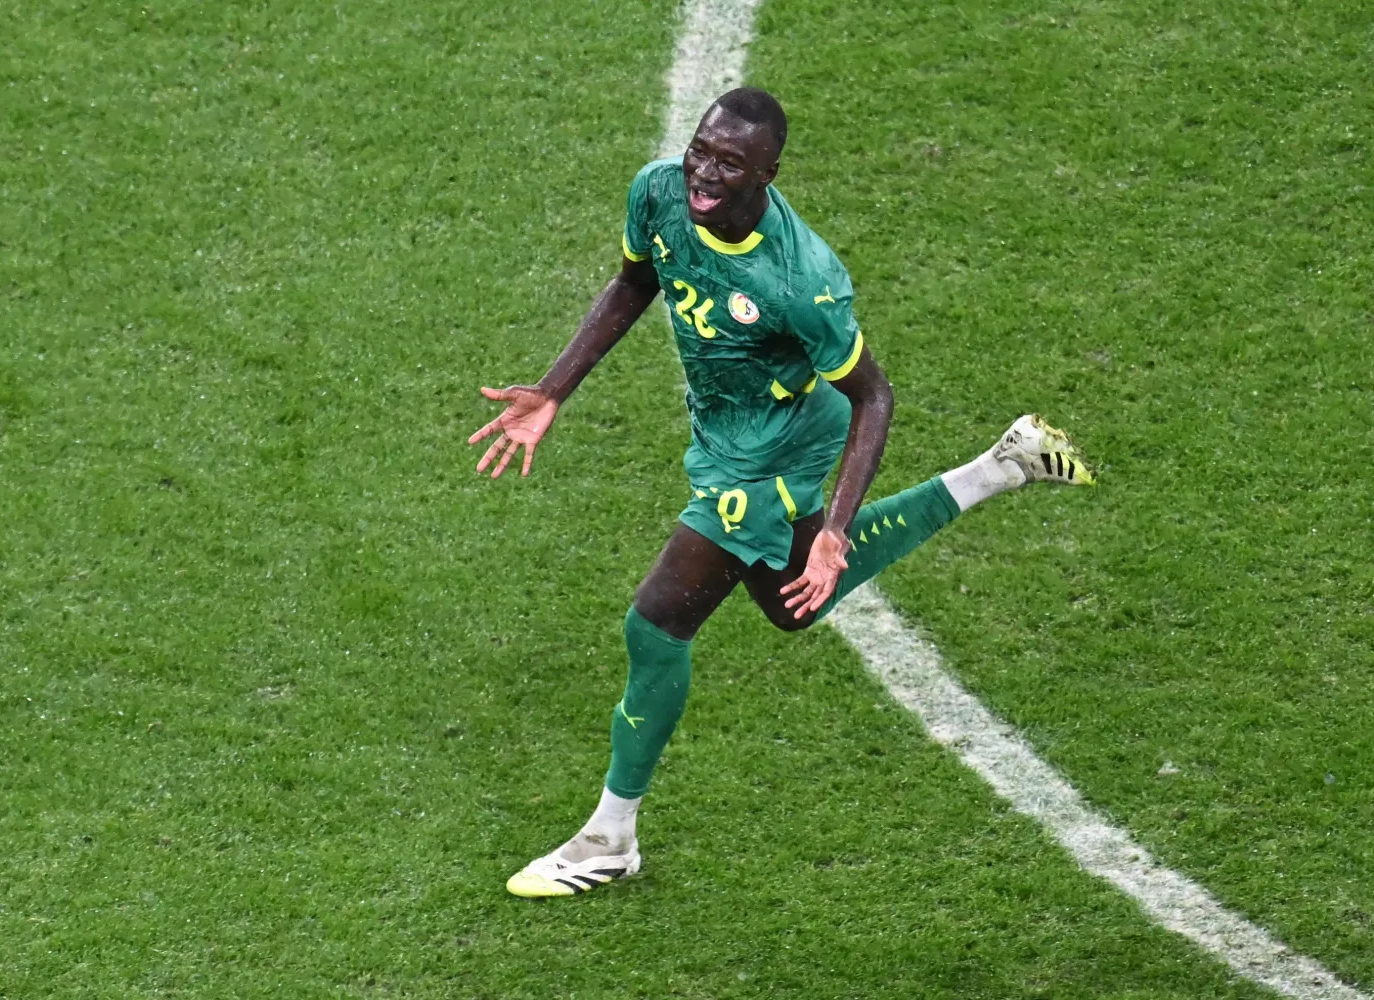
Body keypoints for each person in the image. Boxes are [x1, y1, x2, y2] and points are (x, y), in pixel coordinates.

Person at [469, 88, 1094, 898]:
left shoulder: (802, 281)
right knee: (793, 603)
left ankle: (607, 839)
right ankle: (1003, 466)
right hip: (728, 428)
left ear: (768, 174)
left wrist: (834, 526)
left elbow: (872, 396)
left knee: (657, 623)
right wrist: (553, 391)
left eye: (730, 163)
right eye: (702, 148)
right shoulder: (659, 191)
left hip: (779, 443)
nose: (705, 170)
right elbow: (634, 284)